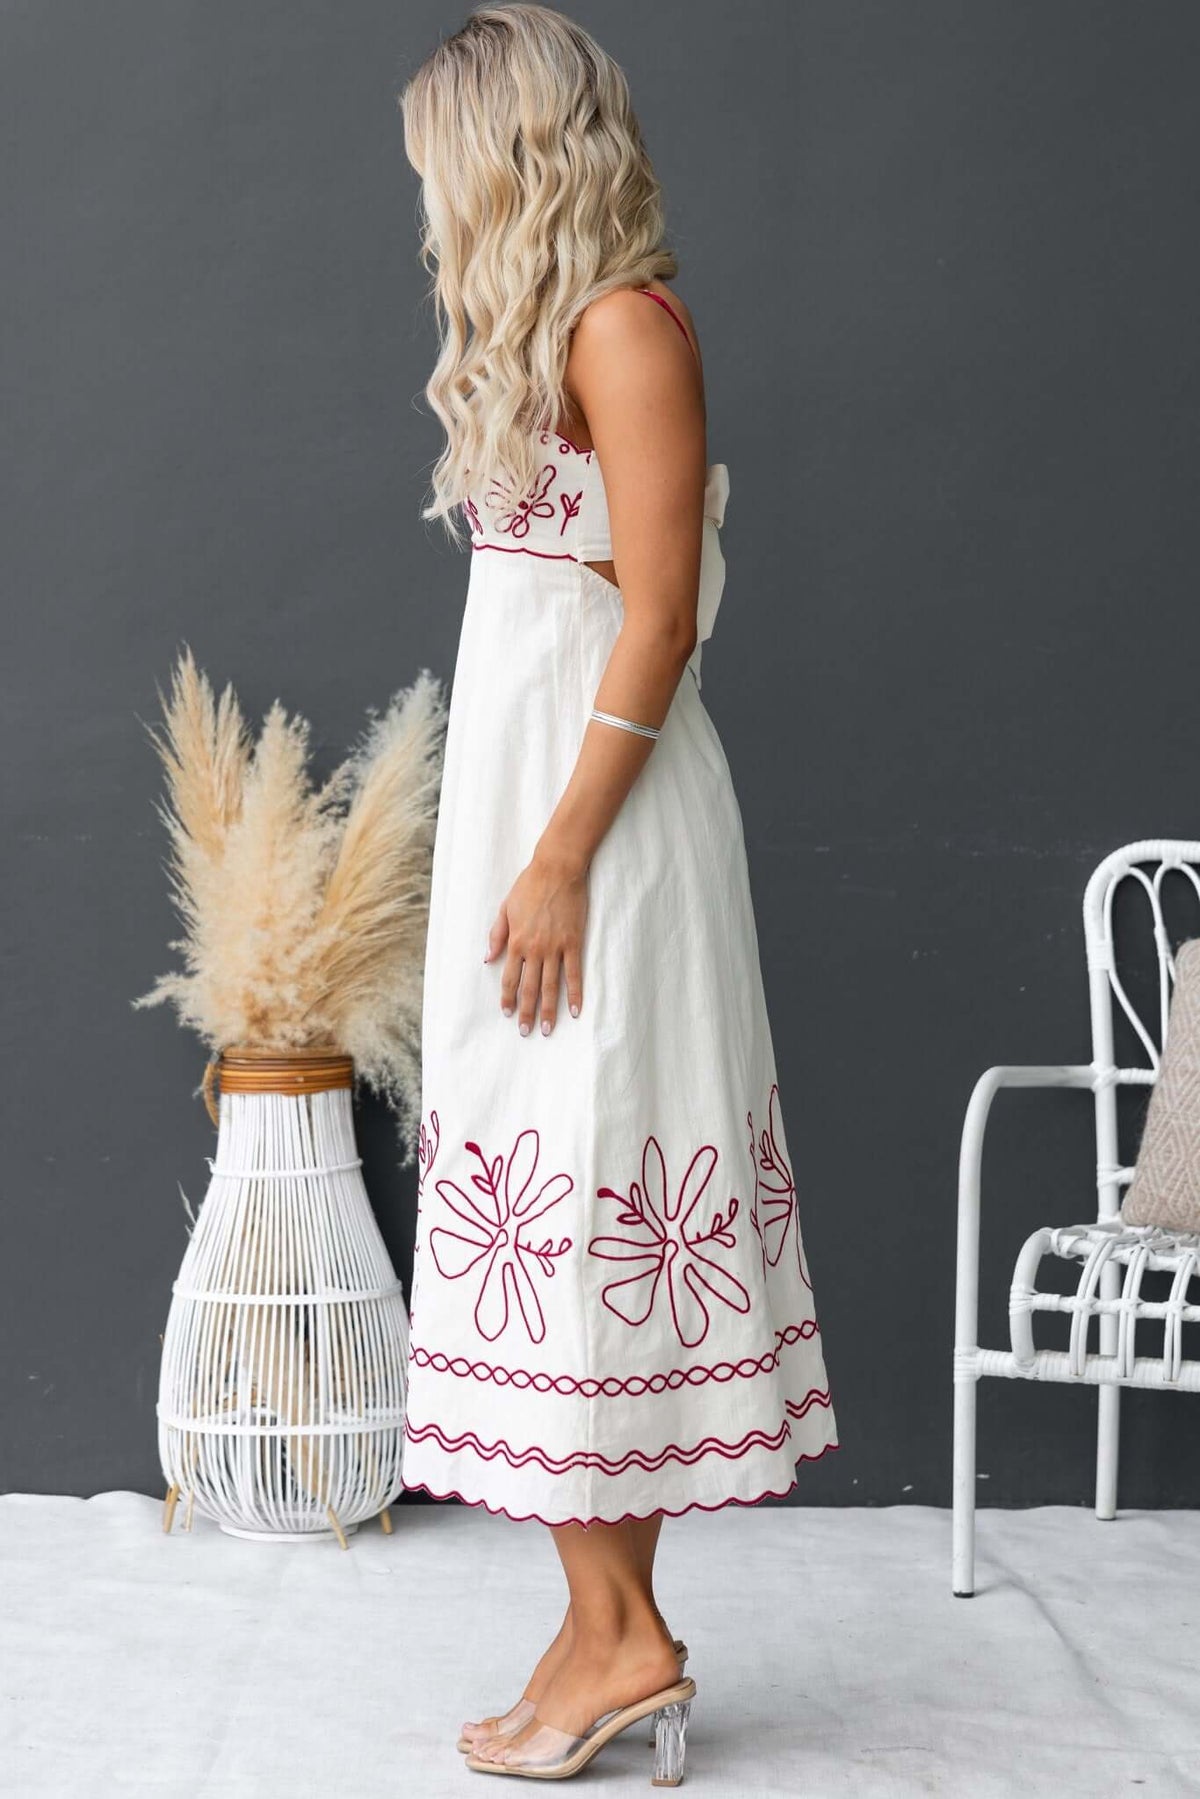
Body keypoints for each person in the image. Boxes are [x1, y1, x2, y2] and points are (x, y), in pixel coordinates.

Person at [398, 5, 838, 1783]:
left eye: (442, 163)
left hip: (608, 838)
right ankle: (599, 1641)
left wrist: (564, 851)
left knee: (583, 1203)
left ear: (513, 153)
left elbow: (655, 615)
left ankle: (627, 1635)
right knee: (555, 1216)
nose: (425, 202)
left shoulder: (626, 330)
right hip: (541, 824)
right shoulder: (547, 339)